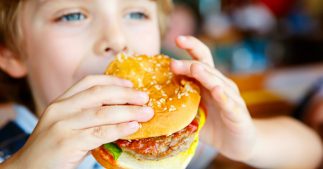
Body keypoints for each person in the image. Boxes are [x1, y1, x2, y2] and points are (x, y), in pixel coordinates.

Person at [0, 0, 322, 169]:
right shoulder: (10, 141)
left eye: (137, 13)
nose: (116, 39)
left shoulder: (165, 137)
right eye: (72, 15)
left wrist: (250, 143)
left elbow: (312, 153)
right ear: (11, 51)